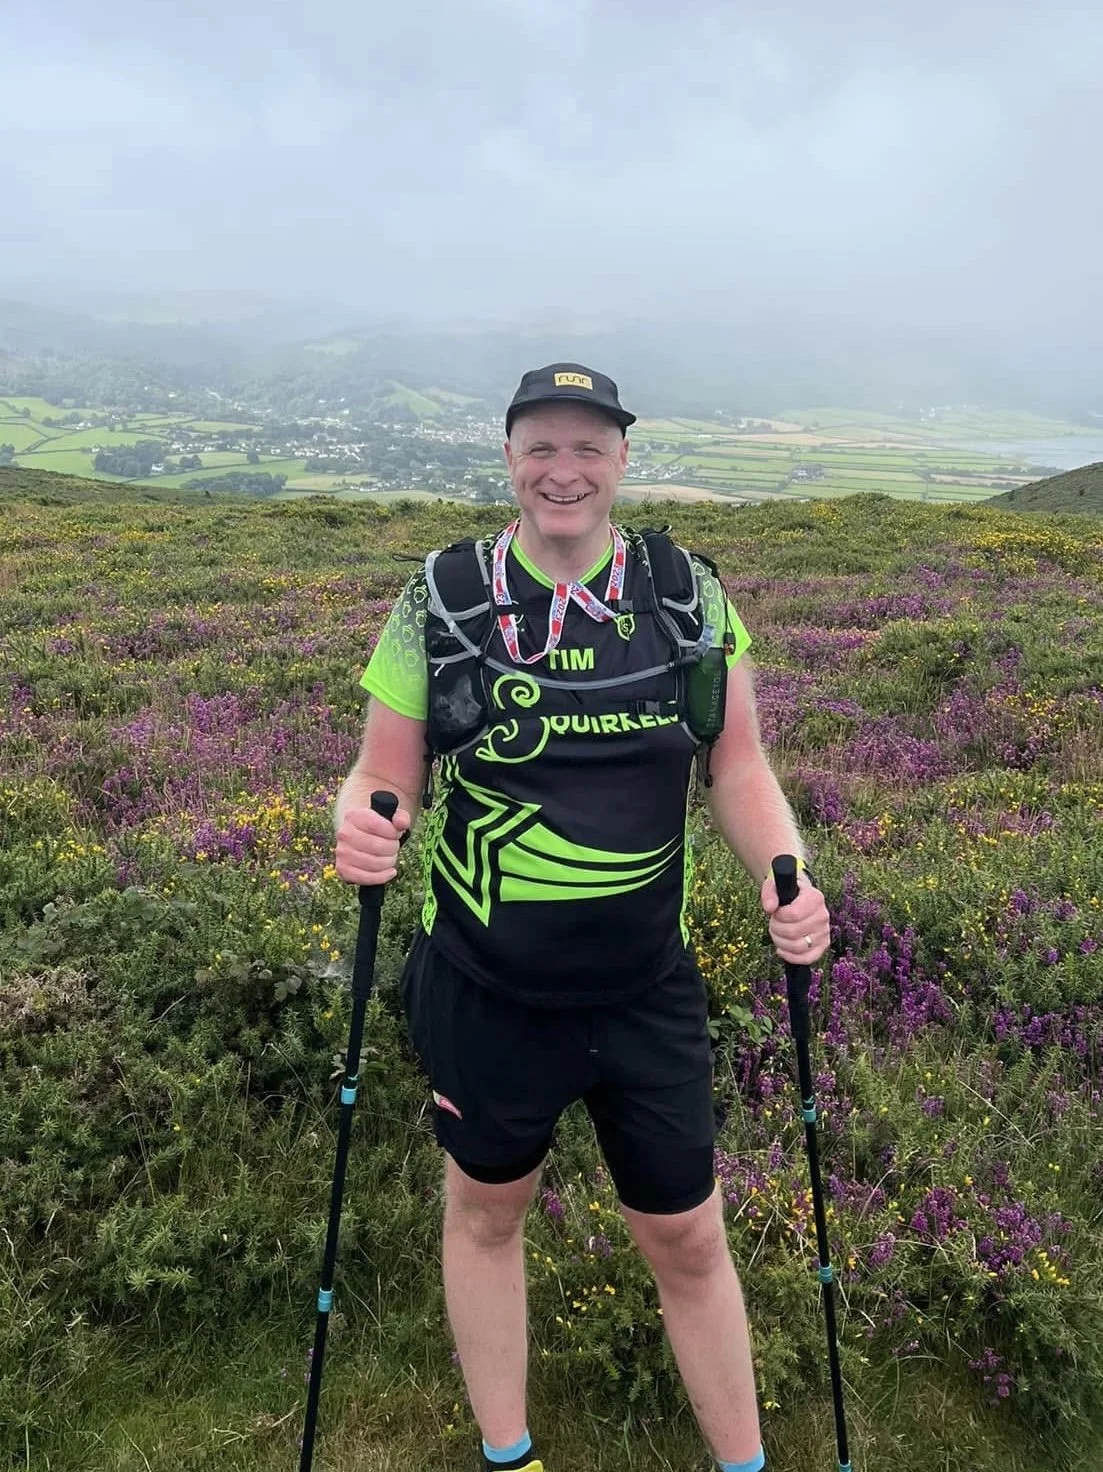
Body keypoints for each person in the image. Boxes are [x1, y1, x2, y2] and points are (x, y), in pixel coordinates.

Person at [334, 363, 830, 1472]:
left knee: (686, 1233)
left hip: (645, 986)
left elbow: (739, 766)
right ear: (508, 458)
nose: (564, 469)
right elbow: (382, 771)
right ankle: (508, 1454)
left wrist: (785, 869)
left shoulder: (688, 595)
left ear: (620, 459)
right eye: (540, 445)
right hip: (482, 988)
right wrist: (367, 824)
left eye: (587, 445)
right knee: (486, 1212)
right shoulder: (439, 598)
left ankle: (742, 1461)